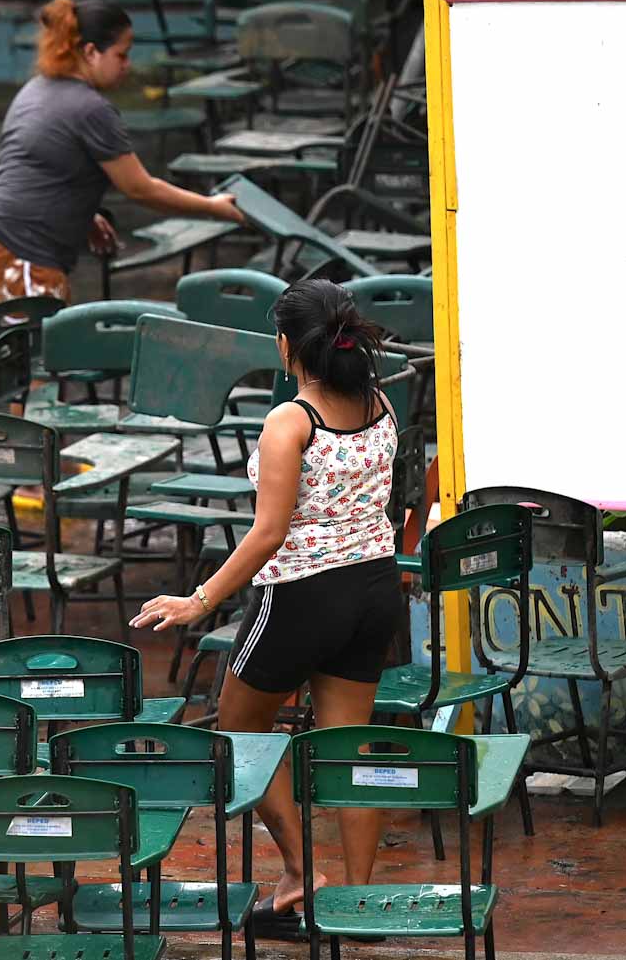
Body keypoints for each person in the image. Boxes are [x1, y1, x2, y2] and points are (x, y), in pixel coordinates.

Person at [130, 279, 400, 940]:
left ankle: (303, 873)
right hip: (374, 587)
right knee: (350, 747)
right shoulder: (379, 402)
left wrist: (199, 600)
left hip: (303, 595)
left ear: (286, 346)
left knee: (238, 728)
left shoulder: (291, 420)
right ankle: (359, 905)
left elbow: (268, 532)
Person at [0, 0, 245, 304]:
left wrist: (85, 215)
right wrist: (212, 207)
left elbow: (42, 164)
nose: (127, 65)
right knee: (43, 330)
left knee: (46, 324)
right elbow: (141, 189)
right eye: (121, 55)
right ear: (90, 52)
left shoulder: (39, 87)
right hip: (20, 239)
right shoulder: (90, 109)